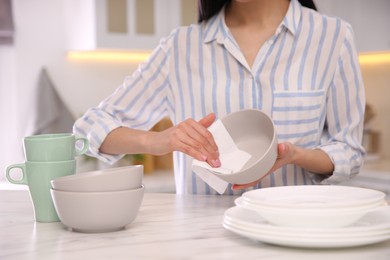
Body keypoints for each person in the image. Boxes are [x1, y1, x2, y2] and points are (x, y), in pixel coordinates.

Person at [73, 0, 365, 195]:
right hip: (205, 242)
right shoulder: (181, 47)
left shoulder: (333, 37)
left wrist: (297, 155)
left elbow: (349, 151)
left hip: (296, 233)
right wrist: (159, 140)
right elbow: (88, 129)